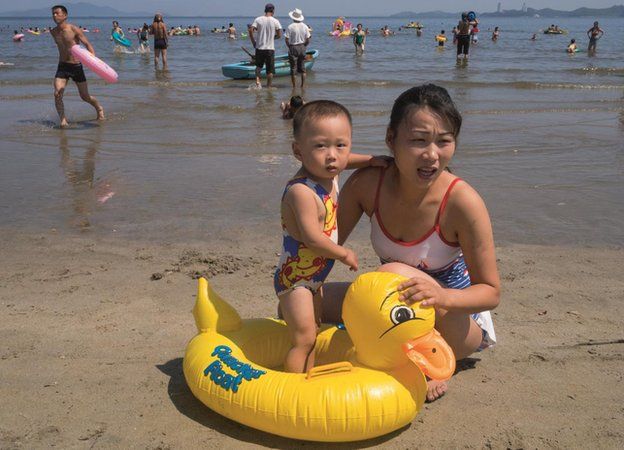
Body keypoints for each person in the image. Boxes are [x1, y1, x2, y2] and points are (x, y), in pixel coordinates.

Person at [319, 84, 500, 402]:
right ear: (391, 139)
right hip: (394, 308)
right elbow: (325, 247)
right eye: (418, 141)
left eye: (444, 141)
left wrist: (442, 295)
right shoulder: (366, 186)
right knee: (308, 302)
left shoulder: (462, 202)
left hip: (453, 323)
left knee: (395, 269)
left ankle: (428, 366)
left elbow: (490, 292)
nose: (432, 154)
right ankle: (381, 348)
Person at [274, 100, 388, 373]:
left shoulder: (330, 172)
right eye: (320, 146)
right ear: (298, 151)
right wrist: (343, 253)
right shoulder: (301, 192)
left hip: (314, 277)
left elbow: (347, 161)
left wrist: (372, 161)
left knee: (313, 330)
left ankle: (307, 378)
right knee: (304, 339)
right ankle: (291, 389)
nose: (332, 156)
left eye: (341, 145)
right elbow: (312, 239)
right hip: (295, 280)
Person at [50, 4, 104, 128]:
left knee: (84, 96)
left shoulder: (74, 29)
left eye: (57, 13)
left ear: (65, 15)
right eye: (53, 14)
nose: (54, 16)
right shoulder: (53, 32)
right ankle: (63, 120)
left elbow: (87, 44)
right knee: (57, 93)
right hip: (62, 66)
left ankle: (99, 108)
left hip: (76, 66)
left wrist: (94, 63)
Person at [248, 3, 282, 88]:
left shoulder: (258, 19)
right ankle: (269, 86)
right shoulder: (275, 21)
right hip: (270, 49)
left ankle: (257, 81)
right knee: (270, 71)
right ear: (273, 11)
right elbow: (279, 35)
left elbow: (250, 30)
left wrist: (253, 42)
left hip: (259, 47)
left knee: (258, 66)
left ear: (265, 10)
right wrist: (272, 37)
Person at [285, 8, 311, 89]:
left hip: (293, 46)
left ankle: (294, 86)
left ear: (293, 17)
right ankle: (302, 86)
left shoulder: (290, 26)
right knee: (303, 68)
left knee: (293, 68)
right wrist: (304, 46)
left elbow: (286, 39)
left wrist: (289, 46)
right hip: (302, 46)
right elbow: (308, 39)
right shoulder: (305, 26)